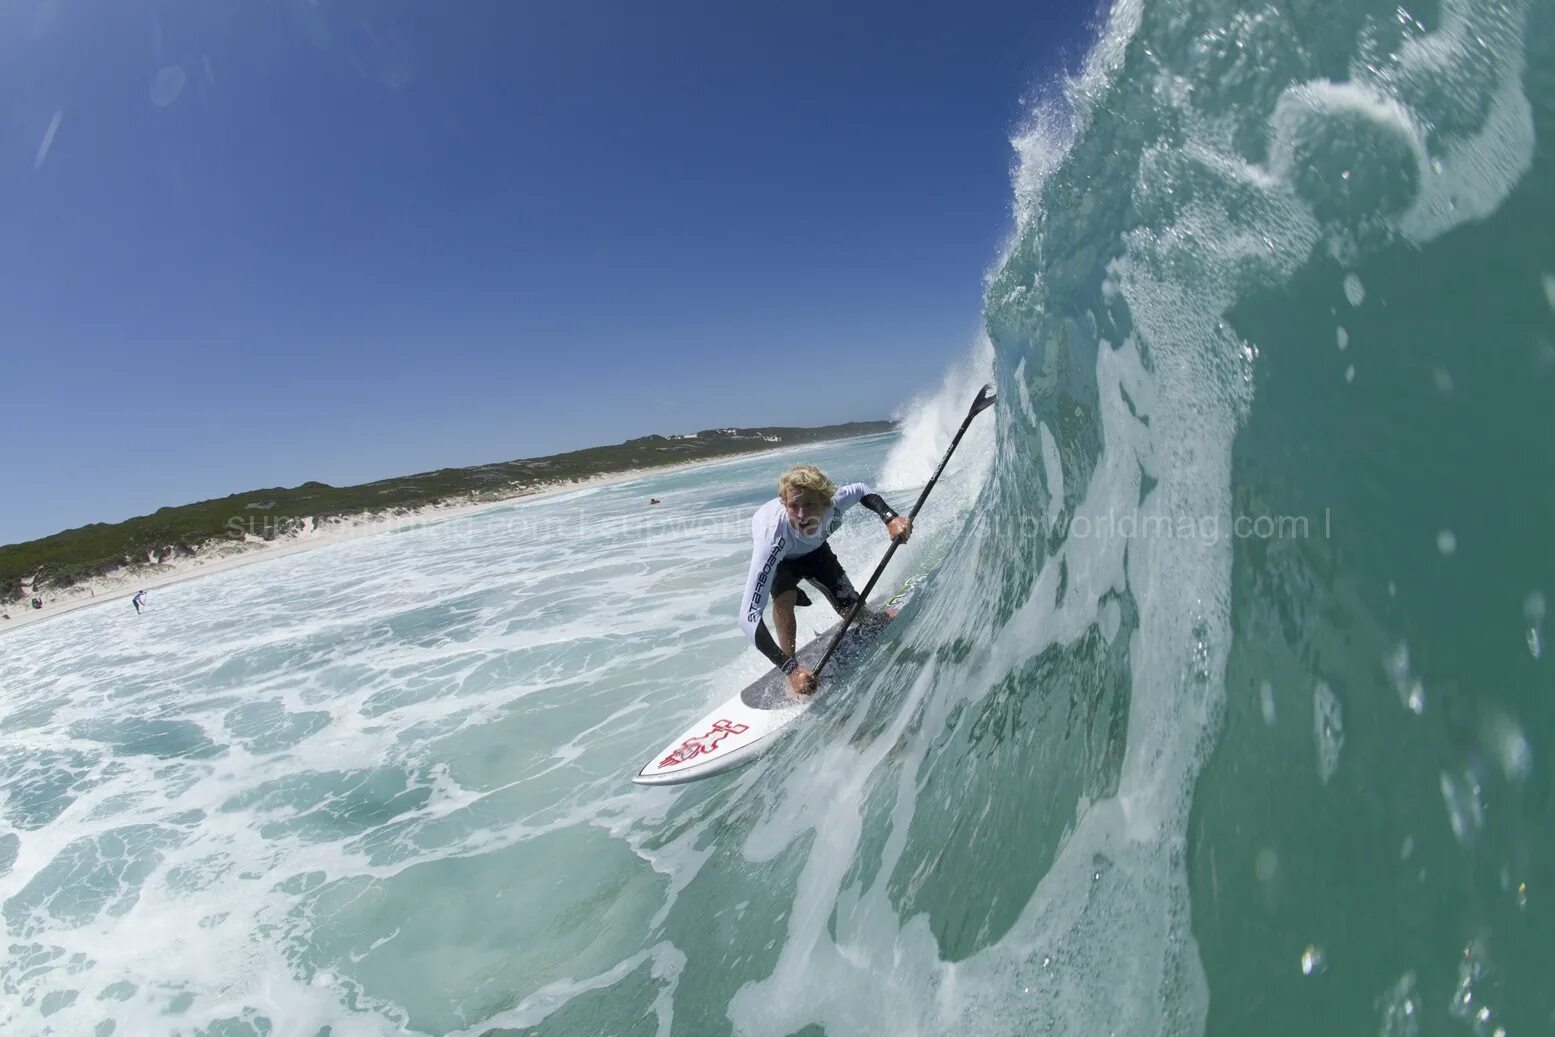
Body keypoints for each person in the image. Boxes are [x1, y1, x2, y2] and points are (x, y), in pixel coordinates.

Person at [739, 464, 910, 696]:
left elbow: (861, 490)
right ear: (783, 503)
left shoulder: (835, 501)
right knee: (784, 599)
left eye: (809, 505)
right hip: (783, 561)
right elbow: (748, 618)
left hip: (817, 552)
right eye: (793, 506)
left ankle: (871, 618)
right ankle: (792, 670)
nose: (801, 515)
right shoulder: (771, 539)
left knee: (853, 612)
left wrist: (890, 518)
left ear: (825, 502)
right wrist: (790, 669)